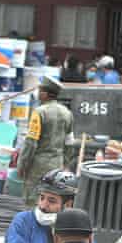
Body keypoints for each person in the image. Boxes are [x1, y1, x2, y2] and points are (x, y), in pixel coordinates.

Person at [16, 77, 74, 207]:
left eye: (40, 90)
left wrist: (22, 165)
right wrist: (65, 164)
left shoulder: (39, 112)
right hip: (57, 165)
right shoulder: (67, 113)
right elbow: (69, 143)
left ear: (44, 94)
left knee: (33, 201)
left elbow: (31, 143)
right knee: (52, 202)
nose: (38, 93)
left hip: (38, 166)